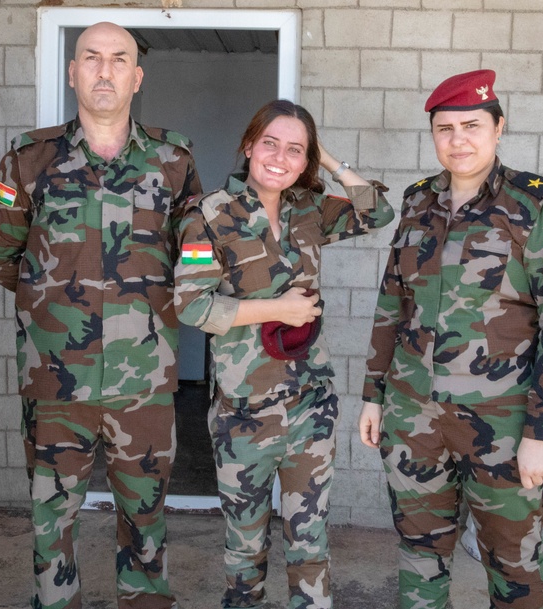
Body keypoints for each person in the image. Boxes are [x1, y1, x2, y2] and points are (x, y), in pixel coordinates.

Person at [0, 22, 202, 609]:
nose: (105, 71)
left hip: (145, 382)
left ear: (137, 77)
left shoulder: (173, 161)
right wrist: (49, 306)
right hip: (56, 380)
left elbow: (196, 261)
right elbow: (1, 257)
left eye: (119, 60)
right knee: (52, 521)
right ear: (73, 72)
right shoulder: (28, 160)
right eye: (92, 58)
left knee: (146, 517)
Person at [358, 70, 543, 609]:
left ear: (498, 127)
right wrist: (373, 395)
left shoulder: (540, 207)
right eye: (444, 128)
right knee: (419, 551)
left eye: (471, 125)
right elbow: (392, 303)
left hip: (502, 422)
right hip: (412, 414)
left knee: (513, 560)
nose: (458, 140)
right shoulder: (417, 204)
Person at [174, 99, 394, 609]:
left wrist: (329, 161)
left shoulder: (310, 209)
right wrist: (279, 307)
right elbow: (190, 306)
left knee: (309, 543)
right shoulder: (209, 216)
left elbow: (377, 211)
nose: (280, 157)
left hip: (311, 408)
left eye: (296, 150)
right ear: (248, 146)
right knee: (245, 549)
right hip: (242, 413)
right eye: (270, 143)